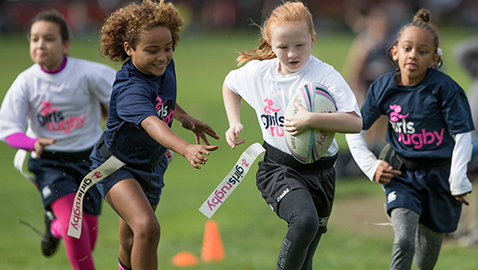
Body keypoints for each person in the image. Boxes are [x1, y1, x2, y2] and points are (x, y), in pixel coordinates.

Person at [222, 2, 362, 269]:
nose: (292, 53)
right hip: (278, 169)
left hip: (322, 174)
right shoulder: (259, 73)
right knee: (304, 220)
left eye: (300, 45)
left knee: (305, 257)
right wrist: (233, 122)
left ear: (312, 38)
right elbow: (230, 84)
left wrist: (312, 119)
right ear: (270, 43)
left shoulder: (324, 76)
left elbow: (355, 122)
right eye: (283, 47)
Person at [89, 1, 218, 270]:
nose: (162, 57)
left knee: (131, 241)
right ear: (129, 49)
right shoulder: (129, 88)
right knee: (147, 228)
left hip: (151, 166)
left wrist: (183, 116)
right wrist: (185, 148)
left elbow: (161, 97)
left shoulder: (162, 66)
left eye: (168, 48)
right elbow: (151, 123)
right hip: (115, 165)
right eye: (152, 50)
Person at [346, 8, 474, 270]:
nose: (413, 55)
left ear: (435, 59)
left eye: (423, 51)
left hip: (441, 180)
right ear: (395, 52)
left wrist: (458, 178)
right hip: (401, 175)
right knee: (404, 240)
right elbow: (354, 129)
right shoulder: (382, 88)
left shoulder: (446, 89)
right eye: (407, 48)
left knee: (426, 261)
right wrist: (371, 166)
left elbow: (462, 136)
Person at [0, 10, 116, 270]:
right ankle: (60, 224)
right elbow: (9, 130)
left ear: (65, 45)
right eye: (34, 39)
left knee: (87, 236)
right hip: (51, 164)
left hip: (91, 161)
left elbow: (125, 95)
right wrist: (33, 144)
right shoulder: (26, 83)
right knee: (74, 231)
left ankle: (54, 226)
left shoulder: (88, 74)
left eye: (49, 39)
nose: (41, 44)